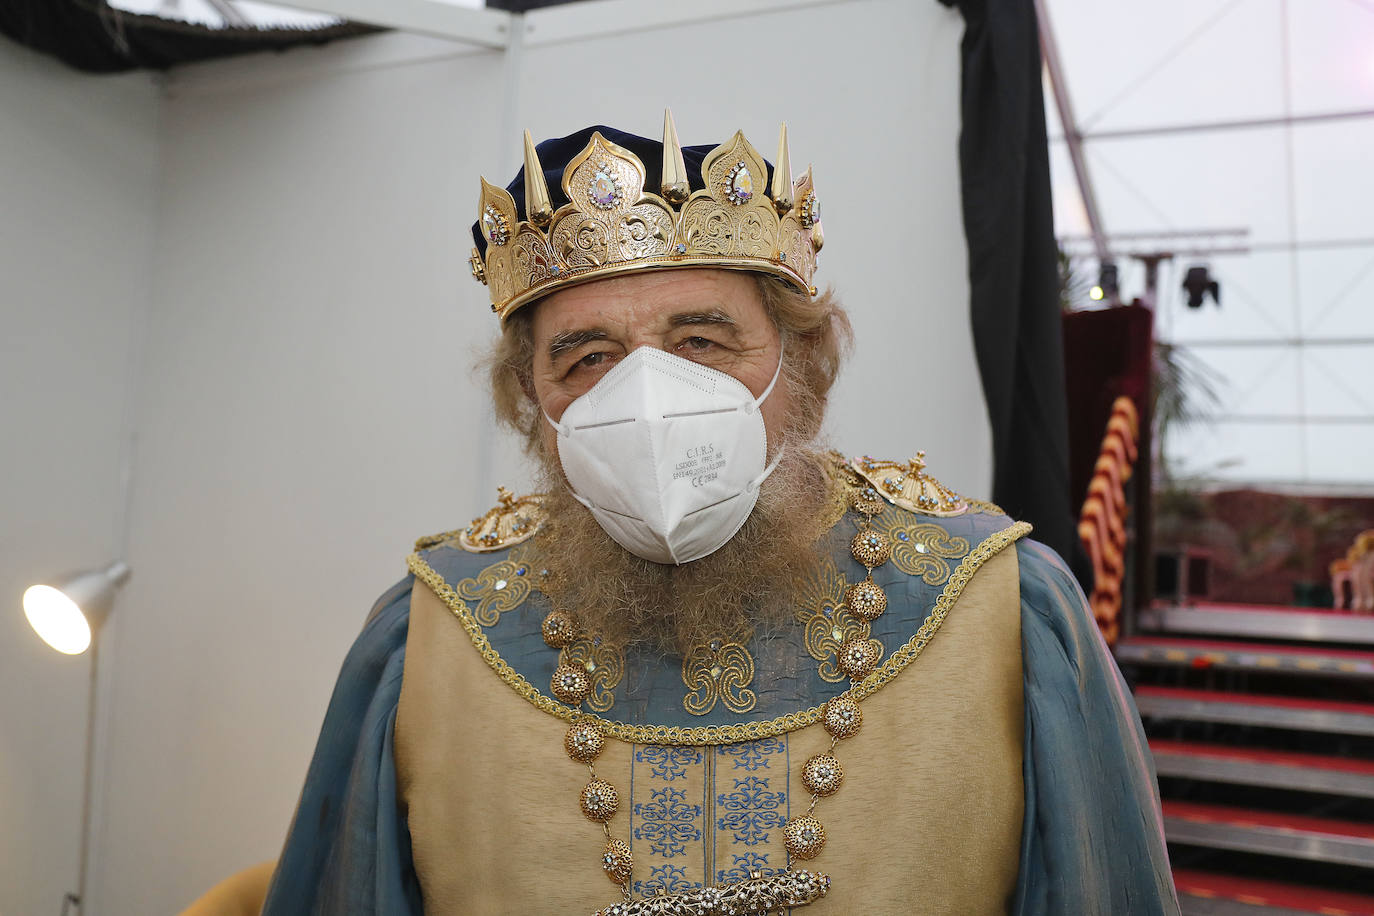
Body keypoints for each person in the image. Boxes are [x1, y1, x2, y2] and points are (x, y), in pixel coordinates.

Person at [259, 115, 1178, 915]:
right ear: (528, 400)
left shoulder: (1002, 609)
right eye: (586, 358)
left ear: (803, 363)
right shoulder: (428, 637)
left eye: (702, 341)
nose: (647, 396)